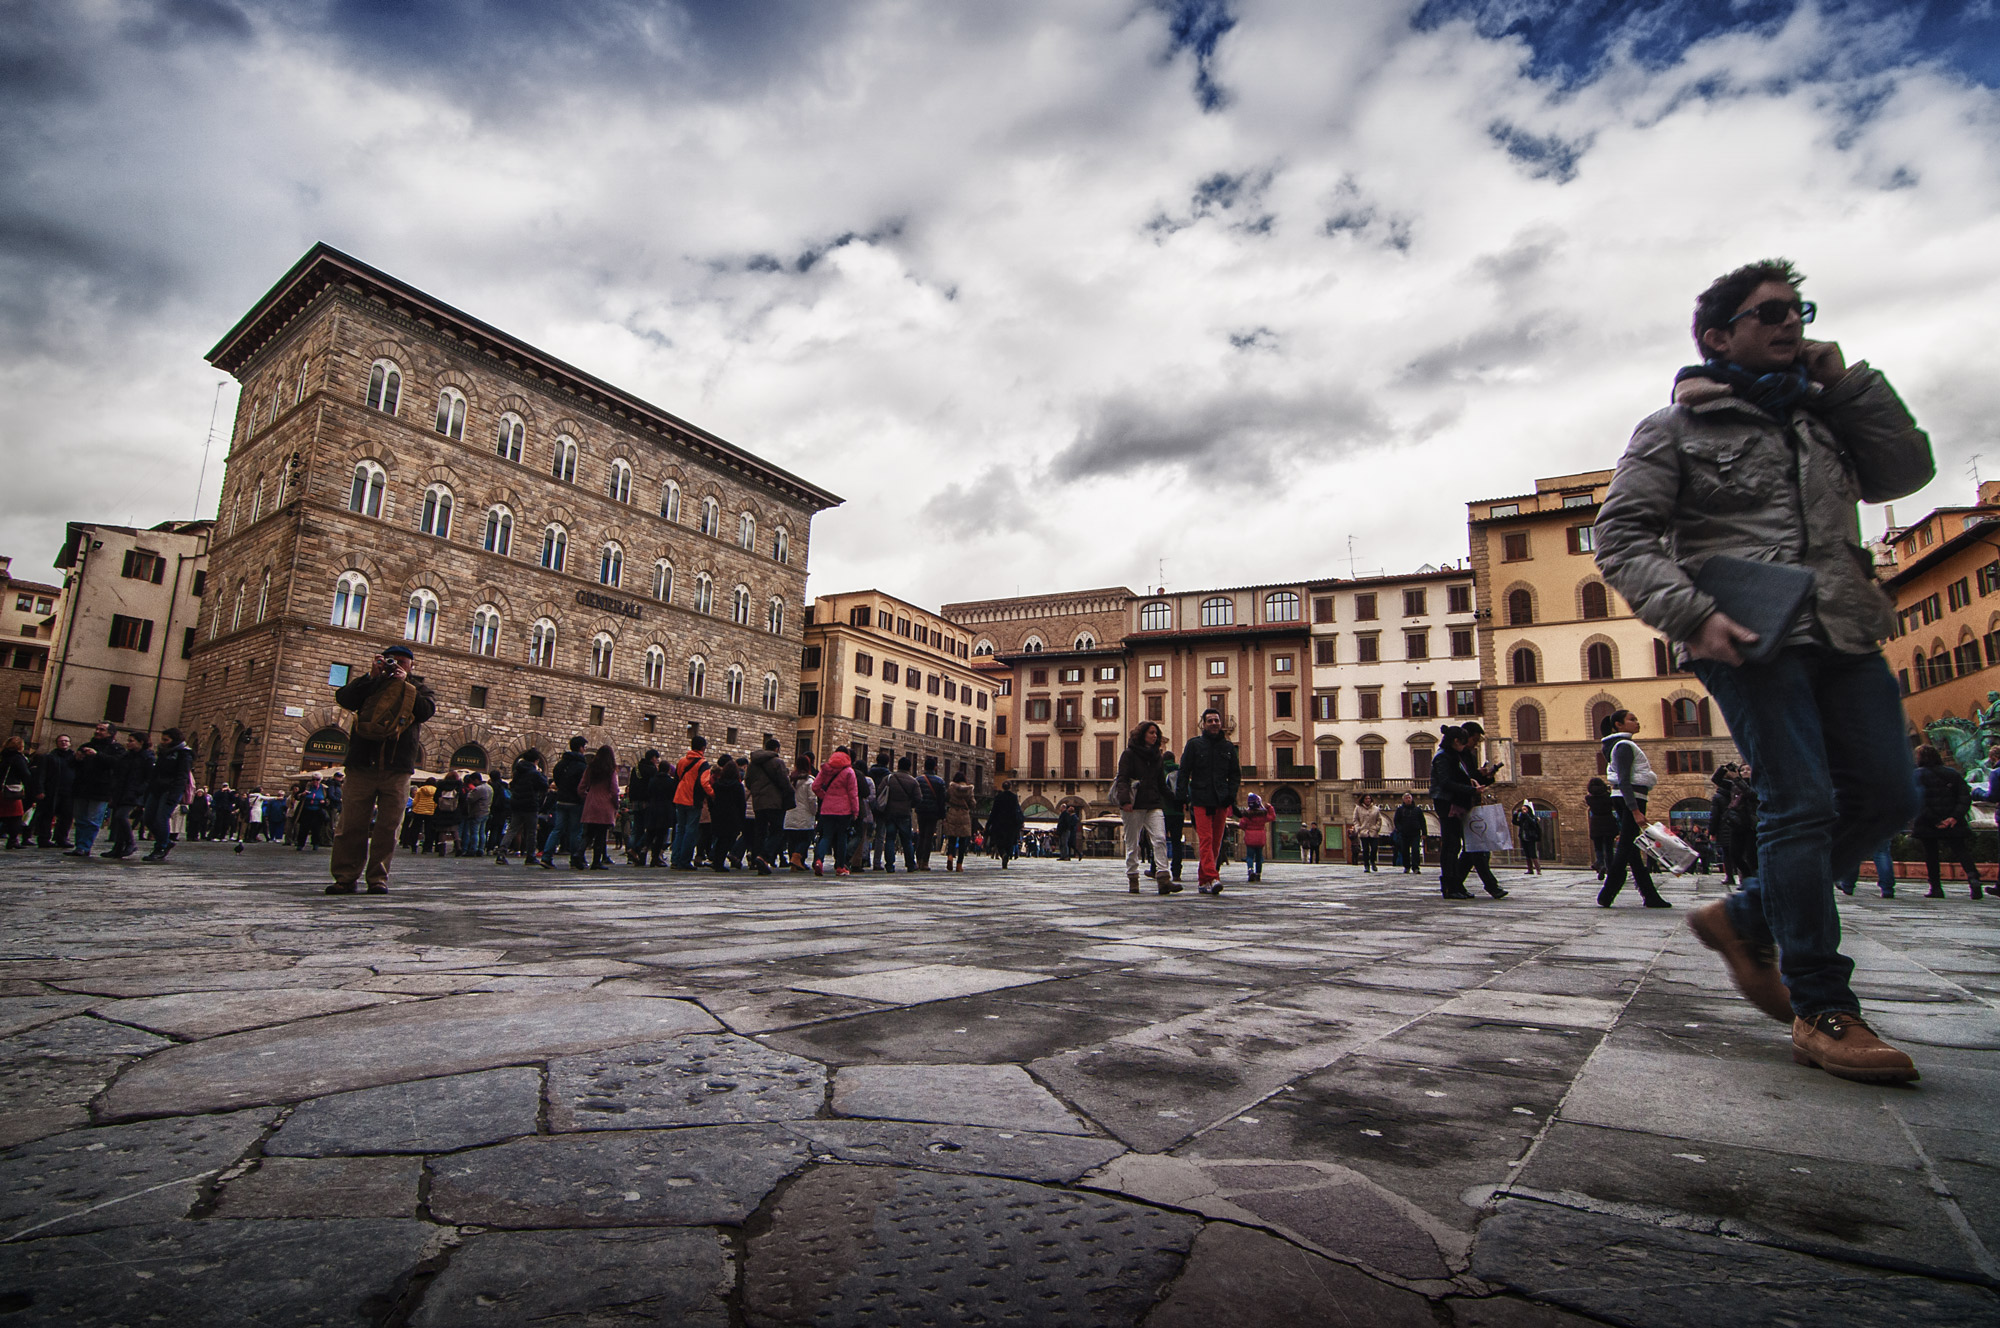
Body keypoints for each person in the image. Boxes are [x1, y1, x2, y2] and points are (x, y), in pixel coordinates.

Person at [1595, 257, 1931, 1083]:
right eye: (1770, 312)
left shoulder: (1826, 420)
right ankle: (1823, 1005)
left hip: (1847, 628)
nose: (1792, 323)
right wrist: (1692, 615)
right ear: (1719, 336)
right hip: (1744, 632)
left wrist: (1847, 383)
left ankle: (1746, 913)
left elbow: (1905, 473)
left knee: (1889, 796)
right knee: (1800, 803)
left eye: (1799, 309)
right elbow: (1622, 538)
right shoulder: (1673, 429)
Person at [327, 644, 435, 895]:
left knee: (388, 827)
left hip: (397, 768)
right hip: (362, 764)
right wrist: (369, 677)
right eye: (390, 660)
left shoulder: (418, 689)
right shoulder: (370, 684)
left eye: (402, 662)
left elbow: (425, 711)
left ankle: (378, 878)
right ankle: (345, 877)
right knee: (351, 824)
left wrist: (406, 683)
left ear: (412, 665)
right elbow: (344, 698)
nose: (395, 665)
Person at [1596, 710, 1671, 908]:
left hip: (1628, 798)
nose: (1637, 722)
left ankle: (1650, 895)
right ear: (1618, 725)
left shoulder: (1621, 745)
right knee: (1625, 848)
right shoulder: (1623, 746)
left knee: (1632, 851)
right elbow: (1624, 781)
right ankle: (1608, 892)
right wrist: (1635, 810)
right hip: (1630, 799)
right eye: (1631, 719)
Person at [1430, 725, 1504, 899]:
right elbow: (1446, 782)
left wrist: (1482, 778)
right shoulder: (1443, 757)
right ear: (1456, 741)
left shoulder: (1457, 755)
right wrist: (1471, 790)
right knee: (1451, 845)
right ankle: (1450, 886)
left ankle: (1455, 884)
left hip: (1458, 802)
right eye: (1466, 742)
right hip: (1448, 803)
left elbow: (1465, 777)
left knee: (1461, 845)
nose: (1469, 746)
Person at [1179, 709, 1240, 895]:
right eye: (1210, 720)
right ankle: (1213, 877)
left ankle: (1203, 880)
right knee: (1205, 839)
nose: (1214, 723)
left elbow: (1235, 774)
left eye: (1216, 720)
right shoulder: (1194, 745)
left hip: (1221, 799)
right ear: (1203, 724)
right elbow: (1184, 771)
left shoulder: (1228, 747)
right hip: (1201, 798)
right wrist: (1181, 796)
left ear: (1220, 723)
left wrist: (1231, 794)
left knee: (1216, 842)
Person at [1911, 745, 1982, 900]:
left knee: (1931, 854)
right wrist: (1954, 817)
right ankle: (1973, 878)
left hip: (1928, 822)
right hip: (1952, 821)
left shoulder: (1916, 775)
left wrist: (1935, 820)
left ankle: (1936, 887)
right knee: (1961, 850)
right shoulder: (1952, 773)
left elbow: (1917, 801)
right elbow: (1964, 797)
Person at [1115, 721, 1178, 895]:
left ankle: (1164, 878)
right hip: (1133, 804)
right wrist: (1125, 800)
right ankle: (1133, 878)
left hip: (1153, 803)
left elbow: (1160, 783)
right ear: (1143, 734)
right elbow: (1122, 778)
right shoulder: (1129, 754)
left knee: (1159, 838)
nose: (1155, 736)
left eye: (1156, 733)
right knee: (1132, 843)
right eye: (1151, 732)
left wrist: (1176, 799)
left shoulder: (1157, 756)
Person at [141, 728, 194, 861]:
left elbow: (182, 776)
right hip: (156, 788)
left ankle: (160, 847)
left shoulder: (184, 754)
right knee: (148, 818)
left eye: (166, 740)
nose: (163, 742)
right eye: (162, 739)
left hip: (170, 790)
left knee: (161, 818)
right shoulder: (163, 752)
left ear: (174, 740)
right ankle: (165, 840)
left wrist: (174, 794)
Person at [743, 738, 790, 877]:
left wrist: (757, 791)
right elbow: (784, 782)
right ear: (776, 749)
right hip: (774, 803)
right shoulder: (778, 763)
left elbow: (748, 781)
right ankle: (764, 856)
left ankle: (756, 860)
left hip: (758, 802)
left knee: (760, 831)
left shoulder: (753, 764)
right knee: (776, 831)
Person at [810, 748, 860, 877]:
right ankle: (840, 866)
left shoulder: (826, 770)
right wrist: (855, 811)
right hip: (844, 810)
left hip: (827, 809)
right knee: (842, 837)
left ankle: (819, 860)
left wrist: (824, 796)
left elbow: (815, 786)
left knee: (826, 836)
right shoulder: (849, 771)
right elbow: (853, 793)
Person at [543, 737, 590, 871]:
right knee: (575, 831)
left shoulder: (561, 764)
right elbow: (584, 784)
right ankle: (575, 859)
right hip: (575, 801)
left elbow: (556, 779)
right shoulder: (582, 766)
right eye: (584, 747)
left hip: (561, 799)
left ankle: (546, 857)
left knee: (557, 830)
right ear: (581, 748)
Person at [106, 732, 152, 859]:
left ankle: (131, 843)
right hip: (121, 791)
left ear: (141, 742)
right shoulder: (126, 756)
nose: (128, 743)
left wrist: (139, 791)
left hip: (134, 793)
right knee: (118, 818)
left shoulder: (147, 757)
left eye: (131, 741)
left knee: (121, 816)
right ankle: (118, 847)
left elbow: (148, 778)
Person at [497, 750, 546, 866]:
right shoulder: (535, 773)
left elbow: (512, 785)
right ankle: (530, 856)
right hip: (530, 804)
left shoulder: (517, 771)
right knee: (531, 831)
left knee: (512, 829)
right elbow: (544, 785)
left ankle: (501, 852)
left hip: (517, 803)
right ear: (536, 760)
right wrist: (539, 771)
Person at [669, 736, 710, 870]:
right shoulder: (703, 763)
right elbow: (704, 782)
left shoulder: (682, 761)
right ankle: (685, 860)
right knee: (690, 831)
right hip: (693, 799)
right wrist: (712, 794)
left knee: (680, 829)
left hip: (679, 797)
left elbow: (679, 778)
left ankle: (675, 859)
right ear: (703, 748)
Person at [578, 745, 620, 870]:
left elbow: (581, 788)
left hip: (591, 803)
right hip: (605, 805)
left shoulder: (590, 768)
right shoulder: (610, 770)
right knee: (601, 835)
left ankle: (577, 854)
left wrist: (588, 797)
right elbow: (614, 790)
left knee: (588, 834)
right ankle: (596, 862)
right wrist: (615, 804)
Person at [877, 756, 921, 873]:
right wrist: (909, 804)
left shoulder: (889, 778)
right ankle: (910, 864)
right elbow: (918, 798)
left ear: (898, 766)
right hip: (905, 813)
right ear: (909, 767)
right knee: (906, 839)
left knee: (890, 838)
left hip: (890, 813)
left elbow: (879, 792)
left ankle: (890, 865)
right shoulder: (913, 781)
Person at [31, 735, 74, 848]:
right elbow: (41, 775)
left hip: (68, 792)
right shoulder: (49, 757)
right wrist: (40, 790)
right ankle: (44, 838)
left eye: (66, 741)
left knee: (66, 816)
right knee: (47, 815)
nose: (64, 743)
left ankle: (61, 838)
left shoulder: (74, 757)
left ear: (70, 743)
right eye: (61, 741)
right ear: (57, 743)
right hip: (52, 791)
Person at [784, 756, 818, 870]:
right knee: (806, 838)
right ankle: (796, 857)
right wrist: (814, 812)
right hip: (804, 814)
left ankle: (795, 862)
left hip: (790, 813)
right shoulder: (809, 781)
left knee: (792, 840)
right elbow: (812, 799)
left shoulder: (790, 780)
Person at [942, 766, 977, 872]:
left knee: (951, 839)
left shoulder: (951, 788)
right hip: (964, 815)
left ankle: (950, 857)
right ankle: (959, 865)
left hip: (952, 813)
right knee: (963, 841)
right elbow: (972, 803)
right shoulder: (969, 790)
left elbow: (946, 798)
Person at [915, 755, 946, 870]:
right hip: (933, 812)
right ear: (935, 767)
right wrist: (943, 815)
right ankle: (925, 862)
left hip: (921, 811)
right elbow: (942, 800)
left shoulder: (918, 780)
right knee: (928, 837)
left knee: (921, 835)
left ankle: (918, 860)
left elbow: (916, 796)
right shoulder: (940, 781)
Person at [986, 779, 1024, 868]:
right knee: (1009, 842)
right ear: (1010, 787)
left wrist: (989, 824)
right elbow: (1017, 810)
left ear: (1002, 787)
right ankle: (1007, 854)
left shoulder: (998, 797)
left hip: (999, 823)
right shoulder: (1014, 797)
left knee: (999, 842)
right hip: (1011, 823)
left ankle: (1003, 853)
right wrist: (1019, 822)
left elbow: (994, 811)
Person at [1238, 793, 1276, 883]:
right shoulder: (1263, 814)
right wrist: (1270, 807)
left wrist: (1247, 829)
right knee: (1259, 857)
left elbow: (1241, 825)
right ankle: (1258, 874)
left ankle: (1250, 870)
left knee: (1249, 857)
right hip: (1260, 838)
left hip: (1250, 838)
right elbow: (1272, 817)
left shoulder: (1247, 815)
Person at [0, 737, 29, 848]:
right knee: (15, 817)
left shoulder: (3, 756)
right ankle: (13, 840)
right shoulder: (18, 758)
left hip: (1, 789)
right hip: (11, 791)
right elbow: (25, 774)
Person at [1391, 793, 1426, 874]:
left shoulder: (1417, 810)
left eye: (1409, 798)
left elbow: (1422, 821)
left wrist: (1424, 833)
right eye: (1406, 798)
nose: (1408, 799)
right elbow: (1396, 821)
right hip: (1404, 833)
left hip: (1415, 833)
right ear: (1403, 800)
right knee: (1405, 850)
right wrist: (1400, 829)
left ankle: (1416, 867)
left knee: (1415, 850)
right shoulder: (1400, 810)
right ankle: (1407, 866)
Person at [1350, 795, 1384, 872]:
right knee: (1365, 849)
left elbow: (1379, 819)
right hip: (1363, 832)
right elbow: (1355, 819)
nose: (1368, 800)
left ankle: (1372, 861)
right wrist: (1358, 828)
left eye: (1369, 798)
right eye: (1366, 799)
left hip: (1373, 832)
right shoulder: (1358, 808)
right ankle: (1366, 865)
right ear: (1363, 800)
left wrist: (1377, 828)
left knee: (1374, 848)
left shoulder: (1376, 809)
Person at [294, 774, 329, 852]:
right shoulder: (306, 786)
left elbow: (328, 800)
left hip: (317, 811)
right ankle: (300, 844)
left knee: (316, 828)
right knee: (303, 828)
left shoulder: (324, 788)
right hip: (306, 810)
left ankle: (315, 843)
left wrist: (324, 802)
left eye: (317, 779)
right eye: (313, 779)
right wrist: (302, 794)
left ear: (320, 780)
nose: (315, 781)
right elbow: (296, 796)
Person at [462, 773, 492, 858]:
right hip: (486, 812)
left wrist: (468, 793)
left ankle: (473, 849)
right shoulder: (489, 788)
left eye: (472, 781)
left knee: (474, 832)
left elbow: (470, 799)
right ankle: (481, 849)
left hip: (477, 812)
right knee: (482, 832)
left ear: (476, 780)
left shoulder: (478, 789)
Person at [1512, 801, 1543, 875]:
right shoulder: (1522, 820)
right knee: (1527, 854)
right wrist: (1516, 814)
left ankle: (1538, 870)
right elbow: (1515, 822)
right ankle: (1530, 869)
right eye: (1522, 809)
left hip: (1531, 838)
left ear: (1528, 810)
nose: (1523, 811)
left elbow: (1532, 822)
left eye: (1525, 809)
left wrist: (1526, 815)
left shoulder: (1533, 818)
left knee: (1533, 854)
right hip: (1523, 838)